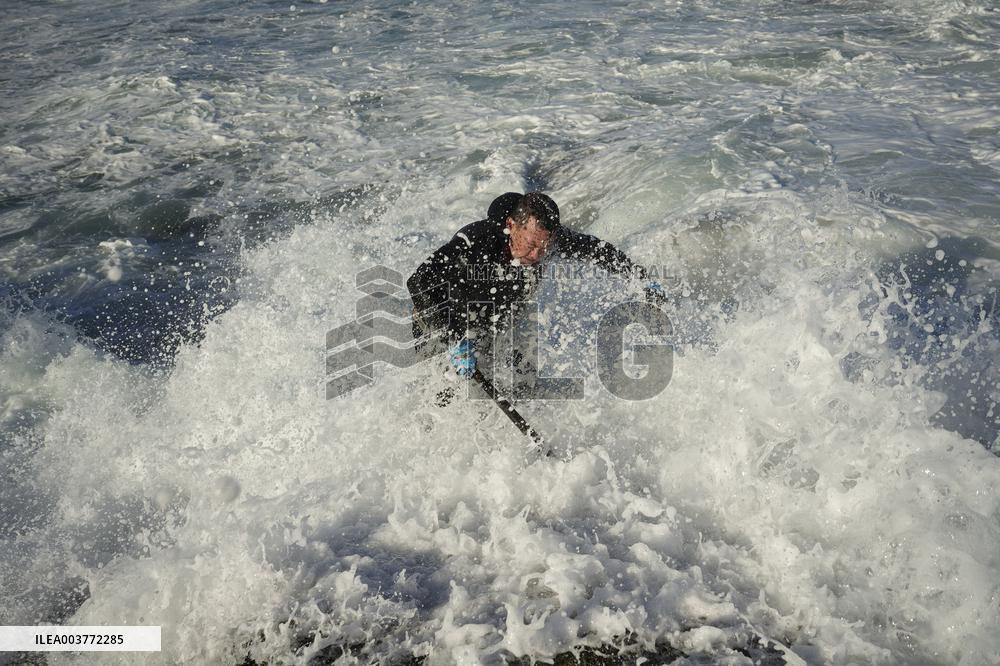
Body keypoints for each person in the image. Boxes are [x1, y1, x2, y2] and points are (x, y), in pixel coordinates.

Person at [406, 191, 666, 382]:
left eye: (544, 247)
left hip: (496, 323)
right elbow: (419, 281)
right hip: (442, 320)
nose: (538, 255)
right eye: (531, 245)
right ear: (511, 225)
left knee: (515, 384)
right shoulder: (477, 241)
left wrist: (641, 278)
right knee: (442, 394)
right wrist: (454, 337)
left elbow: (596, 250)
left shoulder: (549, 239)